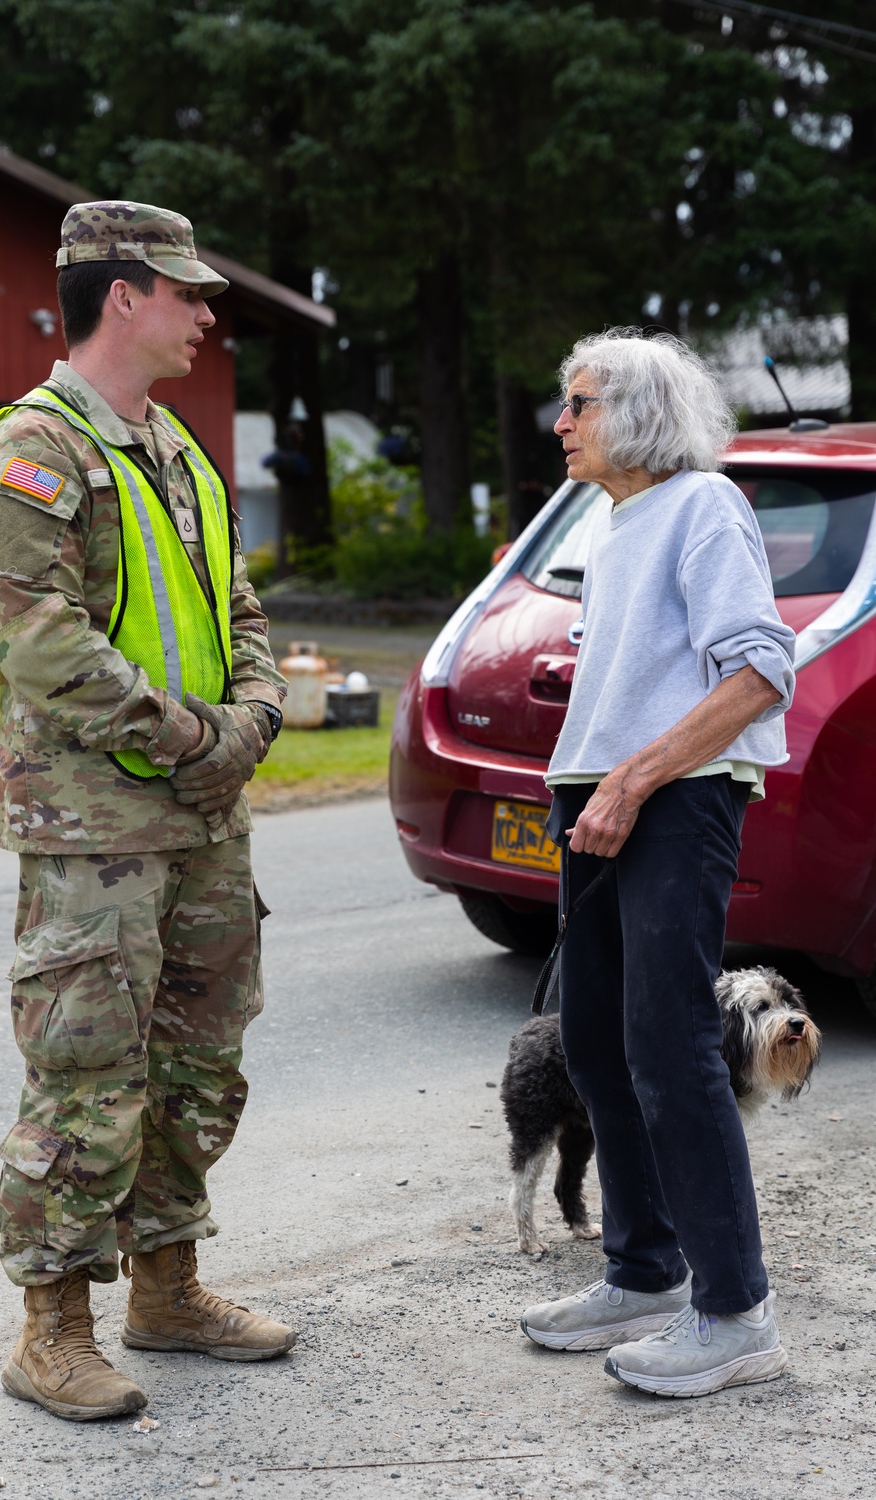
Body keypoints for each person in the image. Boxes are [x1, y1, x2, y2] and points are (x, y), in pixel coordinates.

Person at [0, 201, 295, 1422]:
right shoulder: (35, 451)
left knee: (197, 1065)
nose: (206, 316)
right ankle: (50, 1331)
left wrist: (250, 721)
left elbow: (244, 618)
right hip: (94, 825)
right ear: (122, 296)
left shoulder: (184, 452)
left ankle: (168, 1289)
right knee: (86, 1076)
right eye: (189, 294)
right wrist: (195, 739)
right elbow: (40, 640)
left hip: (204, 816)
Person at [520, 329, 796, 1398]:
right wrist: (593, 781)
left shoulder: (702, 506)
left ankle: (734, 1316)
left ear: (638, 415)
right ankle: (642, 1272)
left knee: (674, 1049)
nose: (562, 422)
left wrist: (632, 782)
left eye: (580, 403)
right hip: (595, 798)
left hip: (672, 801)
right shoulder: (620, 522)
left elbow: (758, 670)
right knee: (594, 1041)